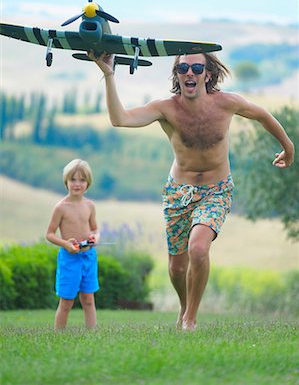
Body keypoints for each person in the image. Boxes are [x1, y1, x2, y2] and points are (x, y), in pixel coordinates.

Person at [89, 50, 294, 331]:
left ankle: (190, 319)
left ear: (207, 74)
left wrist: (288, 146)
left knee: (198, 249)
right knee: (176, 267)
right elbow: (120, 119)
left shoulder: (227, 103)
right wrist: (109, 74)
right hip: (178, 192)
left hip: (216, 190)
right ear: (176, 74)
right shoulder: (166, 108)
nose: (190, 72)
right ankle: (185, 306)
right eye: (183, 67)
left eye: (197, 68)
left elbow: (262, 115)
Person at [46, 159, 100, 330]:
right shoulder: (61, 207)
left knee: (88, 299)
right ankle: (58, 335)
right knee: (67, 301)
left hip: (88, 257)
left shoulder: (90, 206)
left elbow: (95, 229)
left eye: (82, 180)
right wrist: (66, 244)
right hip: (69, 259)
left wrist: (95, 238)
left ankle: (92, 333)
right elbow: (49, 234)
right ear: (66, 182)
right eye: (73, 180)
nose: (77, 184)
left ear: (88, 183)